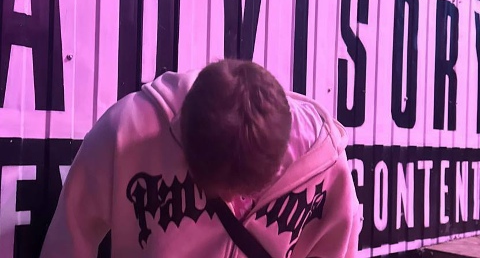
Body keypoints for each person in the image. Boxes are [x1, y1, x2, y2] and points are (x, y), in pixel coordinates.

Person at [40, 59, 361, 257]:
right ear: (181, 135)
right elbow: (68, 241)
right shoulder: (125, 132)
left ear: (278, 165)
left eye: (244, 191)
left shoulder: (325, 163)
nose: (231, 201)